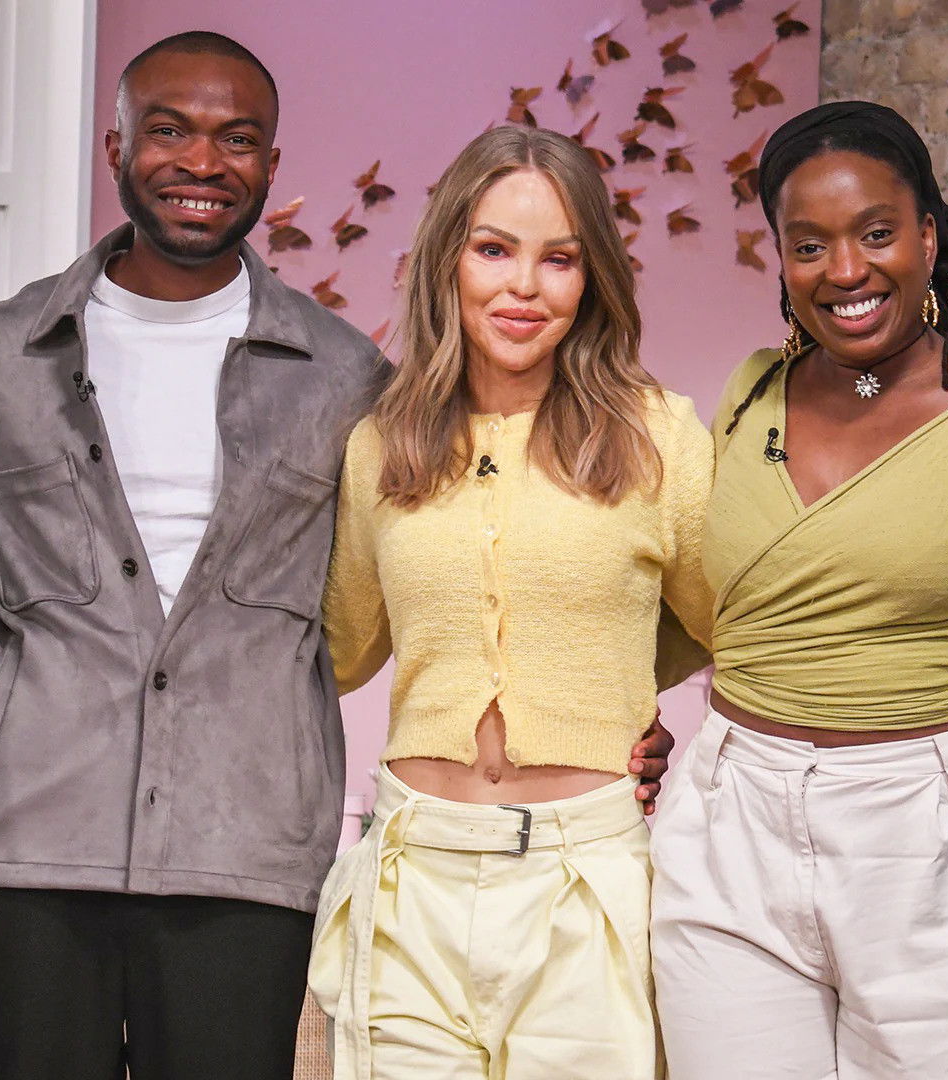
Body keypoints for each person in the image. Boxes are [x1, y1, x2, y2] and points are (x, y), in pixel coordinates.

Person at [0, 32, 683, 1079]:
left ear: (272, 166)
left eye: (236, 139)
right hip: (26, 834)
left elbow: (394, 615)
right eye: (169, 130)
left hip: (246, 855)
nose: (202, 162)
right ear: (114, 146)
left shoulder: (346, 382)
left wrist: (605, 703)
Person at [648, 101, 948, 1080]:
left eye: (876, 233)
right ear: (780, 259)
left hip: (939, 843)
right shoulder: (750, 394)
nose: (847, 271)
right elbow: (709, 602)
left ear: (930, 235)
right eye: (808, 244)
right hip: (733, 819)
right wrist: (592, 717)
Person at [307, 124, 712, 1080]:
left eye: (558, 259)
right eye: (493, 250)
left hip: (586, 881)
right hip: (412, 876)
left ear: (592, 278)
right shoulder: (384, 444)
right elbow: (342, 649)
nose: (522, 287)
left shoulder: (659, 437)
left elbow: (731, 616)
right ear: (448, 260)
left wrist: (620, 691)